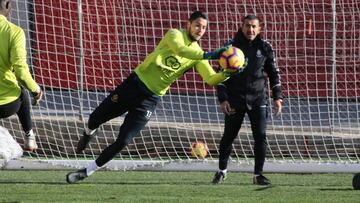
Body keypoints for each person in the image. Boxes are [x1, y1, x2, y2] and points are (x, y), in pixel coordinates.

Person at [66, 11, 237, 183]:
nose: (201, 30)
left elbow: (211, 79)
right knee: (95, 118)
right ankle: (88, 133)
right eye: (198, 25)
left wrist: (229, 72)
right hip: (133, 86)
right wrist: (208, 55)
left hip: (150, 100)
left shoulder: (198, 54)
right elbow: (180, 49)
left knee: (124, 140)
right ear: (188, 24)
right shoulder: (174, 34)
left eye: (204, 27)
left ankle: (87, 171)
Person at [212, 14, 282, 185]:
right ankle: (222, 171)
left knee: (261, 136)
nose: (250, 29)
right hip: (235, 100)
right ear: (241, 27)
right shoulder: (230, 47)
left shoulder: (265, 47)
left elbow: (274, 74)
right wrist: (223, 99)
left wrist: (277, 97)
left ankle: (258, 175)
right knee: (228, 136)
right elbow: (219, 76)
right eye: (247, 26)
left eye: (253, 27)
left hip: (258, 99)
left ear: (259, 29)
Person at [0, 0, 43, 152]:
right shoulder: (14, 31)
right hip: (7, 105)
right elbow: (21, 72)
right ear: (7, 5)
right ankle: (30, 136)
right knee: (22, 92)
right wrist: (36, 90)